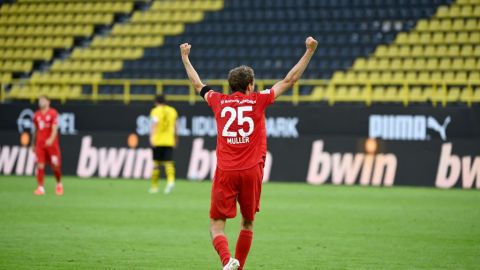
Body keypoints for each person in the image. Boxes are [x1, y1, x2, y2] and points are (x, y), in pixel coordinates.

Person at [180, 37, 318, 269]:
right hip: (252, 171)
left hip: (226, 171)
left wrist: (185, 57)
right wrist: (309, 51)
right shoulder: (258, 100)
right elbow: (289, 80)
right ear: (250, 86)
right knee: (247, 223)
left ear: (230, 86)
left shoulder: (218, 101)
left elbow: (197, 84)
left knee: (216, 225)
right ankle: (238, 267)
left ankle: (227, 261)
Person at [32, 95, 63, 196]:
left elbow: (55, 128)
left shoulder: (53, 113)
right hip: (40, 144)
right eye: (40, 100)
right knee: (40, 165)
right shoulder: (36, 115)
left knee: (56, 167)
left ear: (48, 102)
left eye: (43, 100)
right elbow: (35, 130)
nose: (41, 102)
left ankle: (58, 184)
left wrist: (51, 139)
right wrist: (33, 144)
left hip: (51, 145)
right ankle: (40, 188)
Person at [149, 94, 178, 194]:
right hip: (169, 140)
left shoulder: (155, 111)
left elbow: (154, 125)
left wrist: (152, 138)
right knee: (168, 162)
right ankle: (171, 181)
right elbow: (176, 126)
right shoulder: (172, 110)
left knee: (156, 163)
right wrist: (175, 138)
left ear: (156, 102)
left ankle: (154, 186)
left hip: (158, 140)